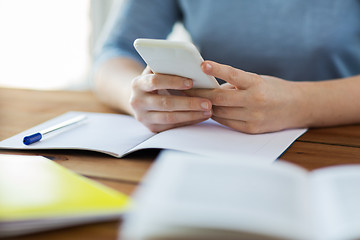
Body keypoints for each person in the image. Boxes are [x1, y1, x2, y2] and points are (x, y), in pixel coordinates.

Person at [93, 0, 360, 134]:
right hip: (211, 142)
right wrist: (139, 98)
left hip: (338, 141)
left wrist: (301, 104)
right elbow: (116, 52)